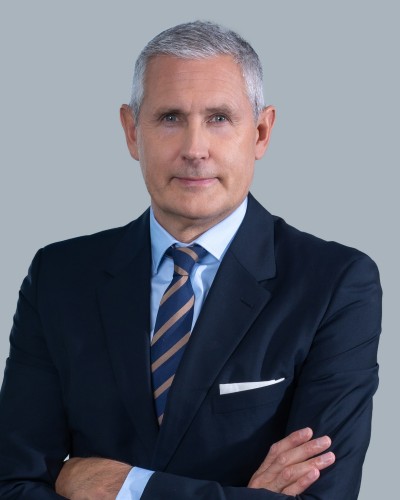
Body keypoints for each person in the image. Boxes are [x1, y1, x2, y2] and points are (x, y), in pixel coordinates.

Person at [0, 21, 381, 499]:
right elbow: (12, 484)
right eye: (170, 118)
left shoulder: (334, 285)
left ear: (261, 132)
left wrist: (128, 488)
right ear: (132, 132)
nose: (194, 149)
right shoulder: (58, 277)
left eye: (219, 118)